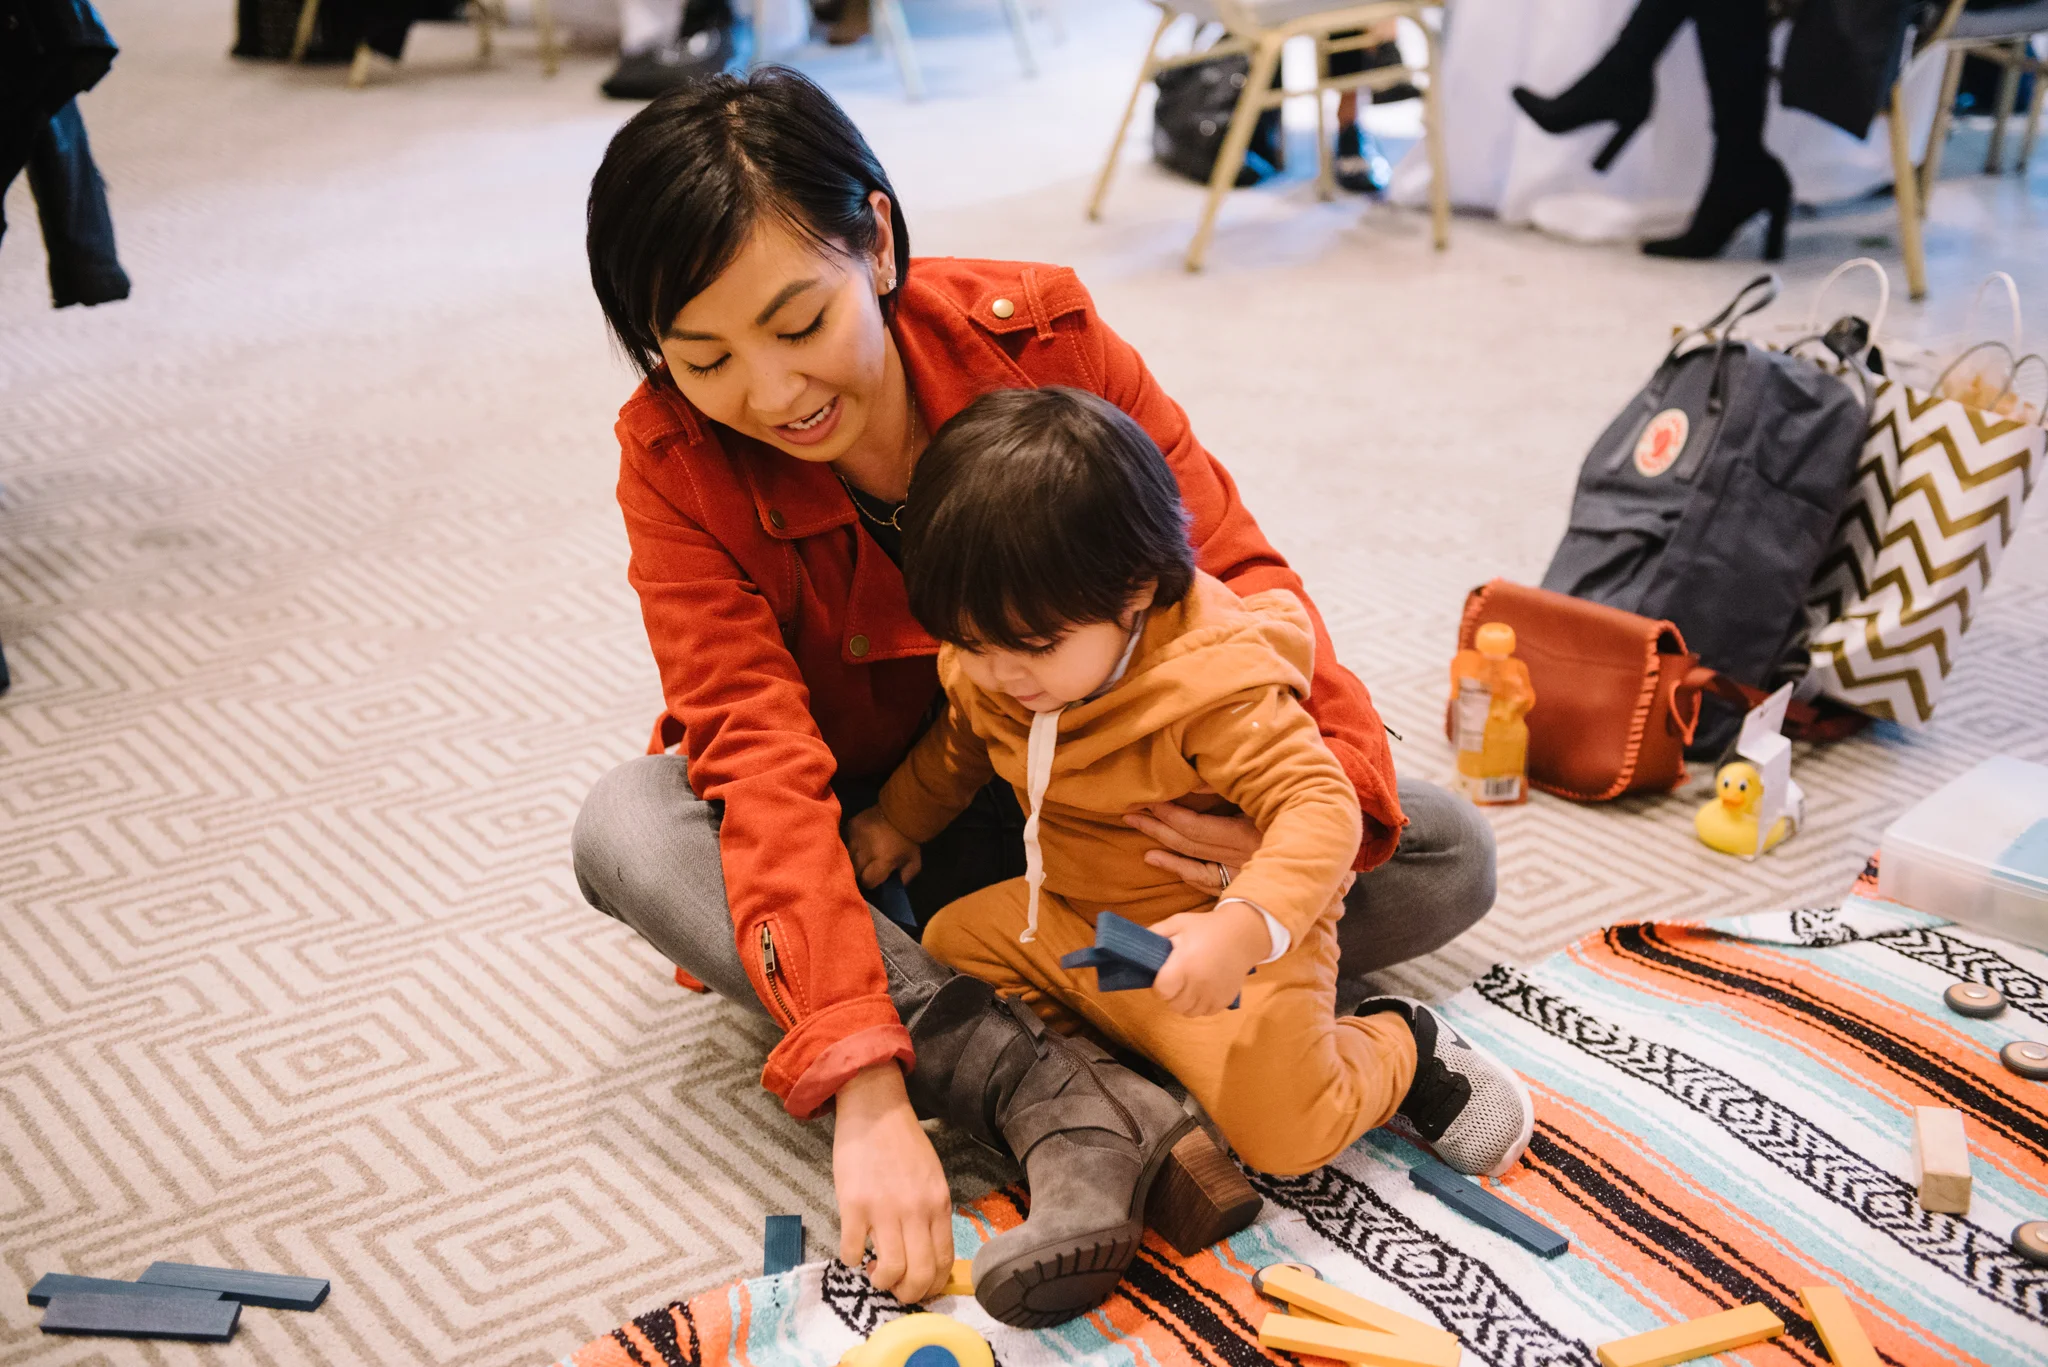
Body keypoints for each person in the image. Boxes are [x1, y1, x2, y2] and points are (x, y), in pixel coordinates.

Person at [572, 67, 1500, 1327]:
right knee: (632, 825)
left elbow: (1233, 573)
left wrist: (1271, 847)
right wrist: (864, 1088)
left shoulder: (1037, 336)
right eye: (705, 359)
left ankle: (1062, 1014)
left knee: (1438, 849)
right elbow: (757, 759)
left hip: (1107, 807)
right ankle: (1040, 1084)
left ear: (876, 241)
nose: (772, 391)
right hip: (883, 834)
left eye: (799, 323)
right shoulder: (673, 460)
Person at [845, 385, 1535, 1200]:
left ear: (1135, 589)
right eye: (968, 642)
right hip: (1077, 918)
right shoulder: (995, 662)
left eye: (1030, 645)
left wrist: (1239, 930)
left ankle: (1402, 1045)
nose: (997, 672)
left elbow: (1320, 807)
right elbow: (958, 744)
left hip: (1223, 932)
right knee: (954, 945)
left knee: (1285, 1131)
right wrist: (898, 819)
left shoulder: (1212, 685)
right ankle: (1114, 1087)